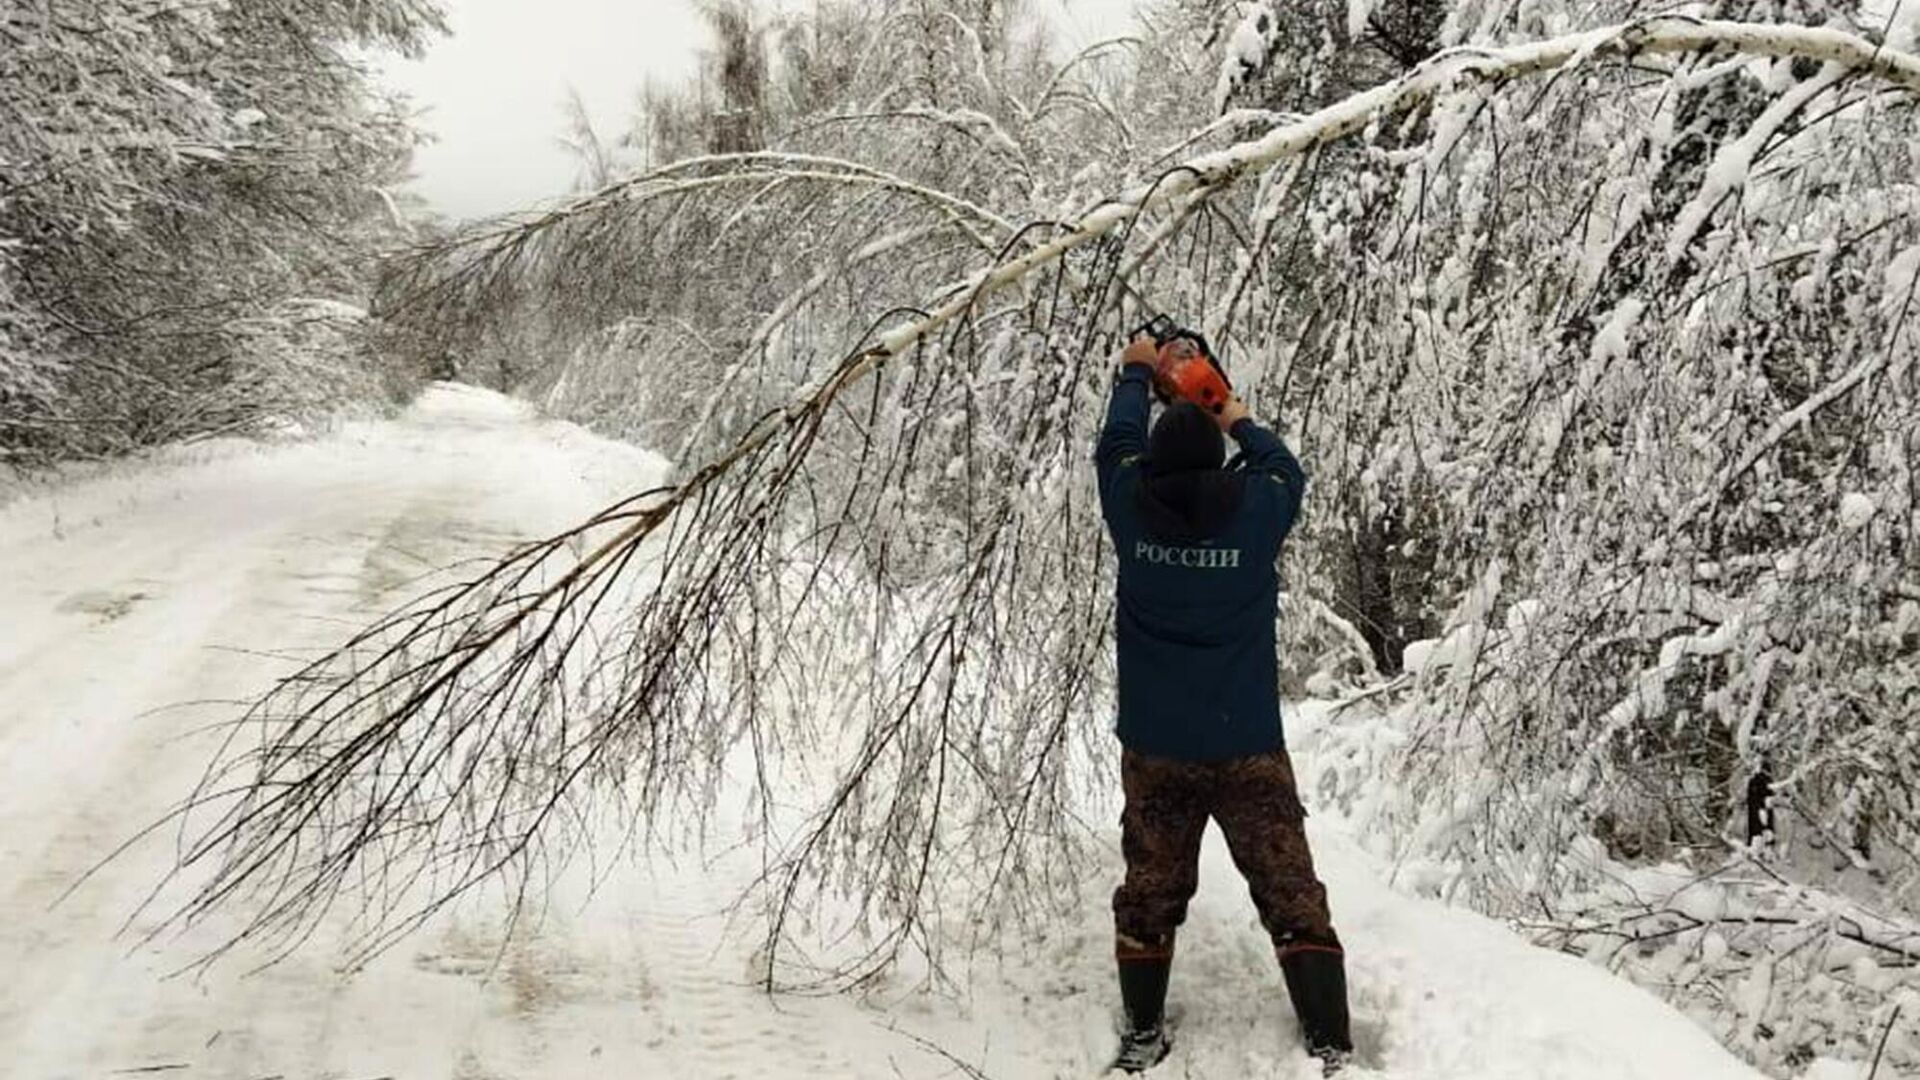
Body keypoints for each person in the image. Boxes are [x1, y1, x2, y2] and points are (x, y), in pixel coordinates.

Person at [1093, 332, 1353, 1076]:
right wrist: (1226, 407)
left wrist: (1135, 374)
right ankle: (1330, 1043)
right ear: (1219, 463)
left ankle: (1143, 1035)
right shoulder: (1258, 513)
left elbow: (1115, 443)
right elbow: (1281, 464)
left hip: (1158, 746)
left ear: (1154, 464)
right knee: (1289, 888)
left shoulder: (1131, 512)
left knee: (1150, 890)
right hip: (1246, 744)